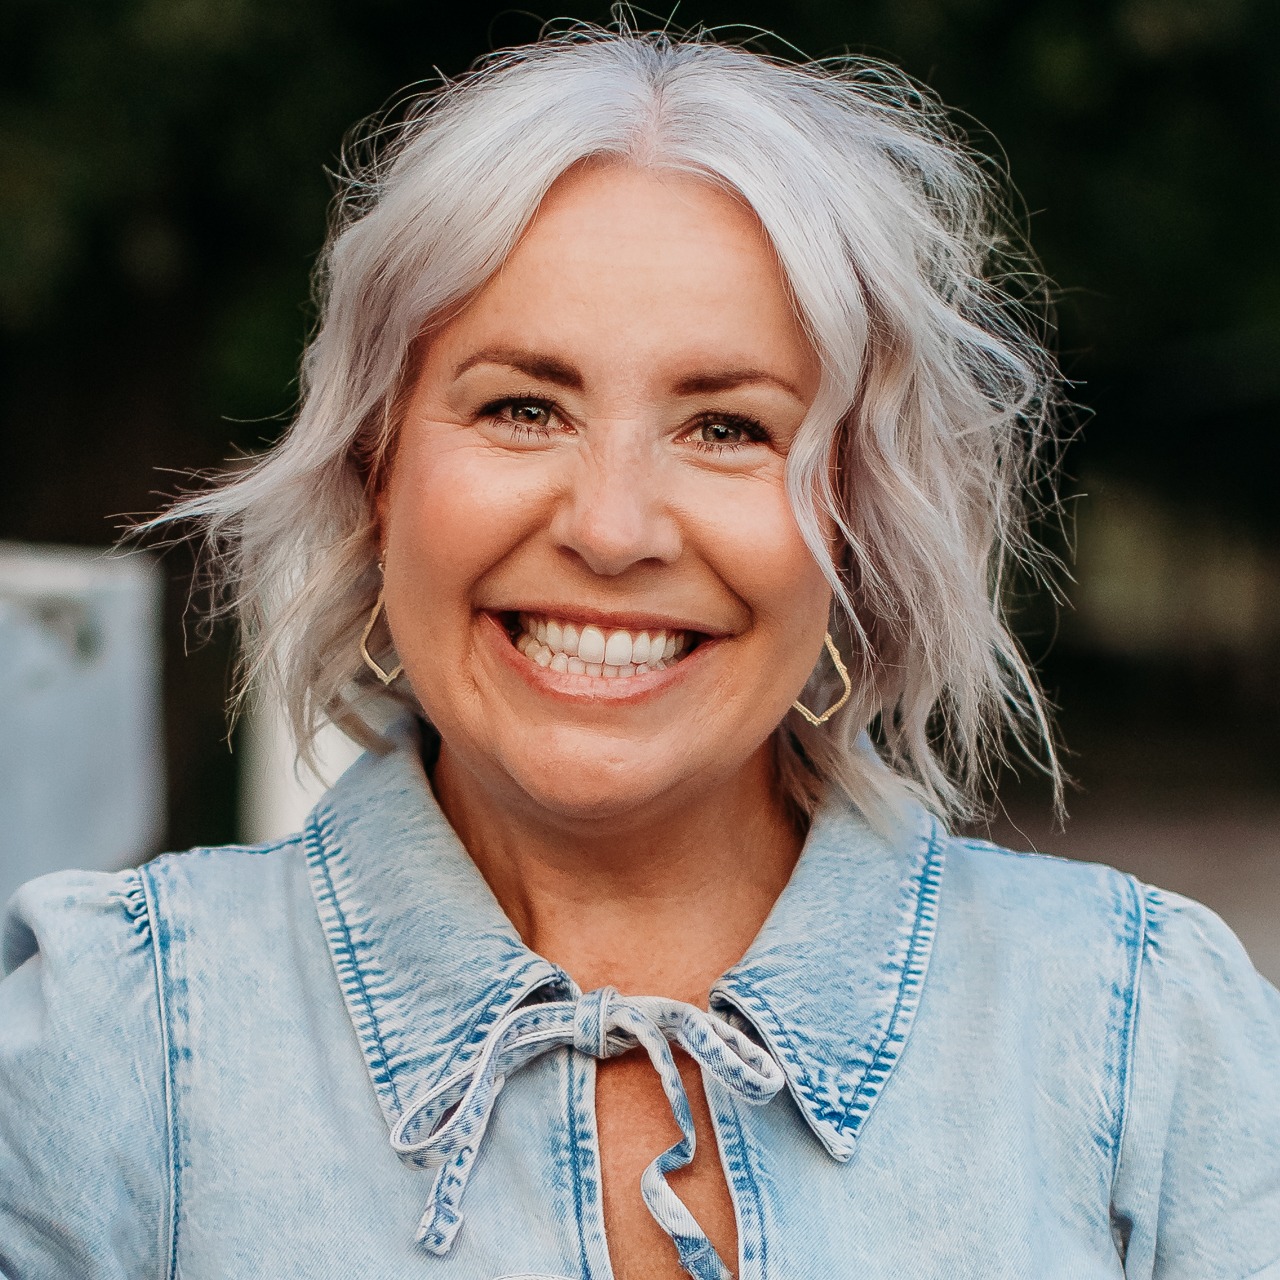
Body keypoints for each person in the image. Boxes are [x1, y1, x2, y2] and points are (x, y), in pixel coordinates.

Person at [1, 27, 1277, 1280]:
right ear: (373, 474)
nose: (611, 529)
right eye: (520, 406)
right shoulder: (105, 1040)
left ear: (858, 519)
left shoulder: (1145, 1034)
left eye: (727, 425)